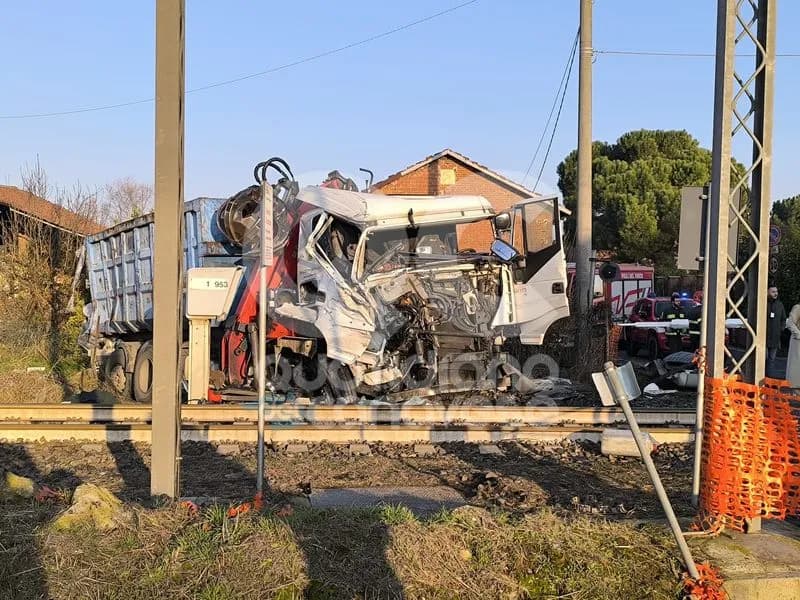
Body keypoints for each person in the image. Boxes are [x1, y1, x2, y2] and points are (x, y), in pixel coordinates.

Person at [766, 286, 787, 373]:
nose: (775, 294)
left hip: (775, 336)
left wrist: (781, 329)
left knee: (772, 359)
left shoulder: (779, 304)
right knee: (763, 358)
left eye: (776, 292)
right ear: (767, 292)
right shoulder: (763, 303)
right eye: (773, 292)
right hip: (764, 336)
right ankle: (760, 375)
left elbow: (783, 318)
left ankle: (769, 377)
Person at [786, 303, 800, 387]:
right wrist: (798, 334)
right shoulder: (798, 307)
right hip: (798, 342)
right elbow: (790, 323)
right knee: (796, 369)